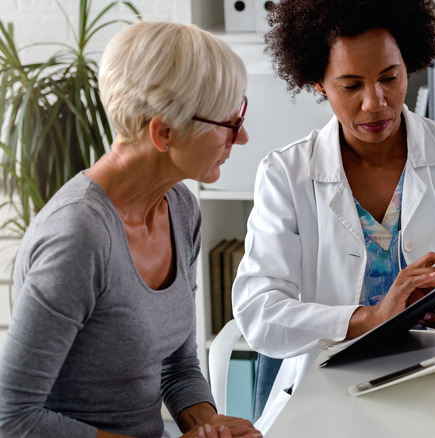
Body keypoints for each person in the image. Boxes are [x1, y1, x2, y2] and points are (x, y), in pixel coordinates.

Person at [232, 0, 435, 432]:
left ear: (410, 63)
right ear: (318, 83)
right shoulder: (285, 175)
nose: (376, 103)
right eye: (351, 85)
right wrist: (367, 318)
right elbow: (259, 313)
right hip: (327, 396)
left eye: (390, 77)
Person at [0, 21, 262, 438]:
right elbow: (12, 418)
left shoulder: (180, 209)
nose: (243, 137)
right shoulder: (78, 236)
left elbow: (177, 364)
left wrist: (209, 425)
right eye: (229, 123)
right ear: (164, 132)